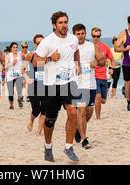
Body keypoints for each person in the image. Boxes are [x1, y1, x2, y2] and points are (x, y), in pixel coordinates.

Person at [32, 11, 81, 162]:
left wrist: (77, 65)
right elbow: (35, 62)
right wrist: (49, 58)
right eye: (60, 23)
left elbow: (76, 51)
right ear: (54, 25)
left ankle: (68, 147)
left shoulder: (73, 38)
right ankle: (47, 147)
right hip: (51, 84)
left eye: (66, 22)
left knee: (72, 112)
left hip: (68, 81)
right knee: (50, 120)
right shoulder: (47, 41)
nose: (64, 25)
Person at [73, 23, 106, 149]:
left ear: (85, 34)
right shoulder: (71, 48)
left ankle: (78, 129)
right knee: (81, 111)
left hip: (91, 84)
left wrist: (96, 62)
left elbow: (103, 61)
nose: (80, 36)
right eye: (78, 34)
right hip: (77, 84)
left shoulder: (92, 46)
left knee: (88, 113)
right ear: (74, 35)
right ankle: (84, 139)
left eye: (82, 33)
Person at [22, 34, 45, 136]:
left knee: (44, 110)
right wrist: (27, 78)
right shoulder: (31, 55)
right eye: (38, 43)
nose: (41, 44)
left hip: (45, 85)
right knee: (36, 110)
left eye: (42, 42)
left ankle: (39, 131)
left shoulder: (49, 55)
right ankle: (31, 120)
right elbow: (22, 69)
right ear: (35, 44)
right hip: (33, 86)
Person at [91, 27, 113, 120]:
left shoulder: (105, 47)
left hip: (103, 77)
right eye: (94, 36)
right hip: (93, 76)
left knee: (103, 101)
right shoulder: (88, 47)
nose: (96, 38)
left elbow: (112, 59)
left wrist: (111, 68)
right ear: (91, 35)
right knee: (98, 96)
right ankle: (98, 117)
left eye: (98, 36)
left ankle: (93, 101)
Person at [4, 42, 24, 109]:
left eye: (16, 47)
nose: (15, 49)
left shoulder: (20, 55)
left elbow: (25, 62)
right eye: (14, 47)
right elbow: (5, 66)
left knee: (19, 89)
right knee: (10, 91)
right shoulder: (8, 56)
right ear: (11, 48)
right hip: (10, 74)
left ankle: (19, 99)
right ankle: (11, 105)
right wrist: (12, 62)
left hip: (19, 74)